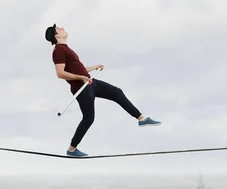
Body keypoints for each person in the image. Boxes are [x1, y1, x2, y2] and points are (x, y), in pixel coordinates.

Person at [44, 23, 161, 157]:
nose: (62, 28)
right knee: (88, 118)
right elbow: (60, 73)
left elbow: (78, 69)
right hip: (81, 88)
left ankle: (141, 118)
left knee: (117, 92)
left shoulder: (66, 48)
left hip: (89, 83)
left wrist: (94, 67)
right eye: (59, 28)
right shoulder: (58, 50)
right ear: (56, 35)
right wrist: (80, 78)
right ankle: (71, 149)